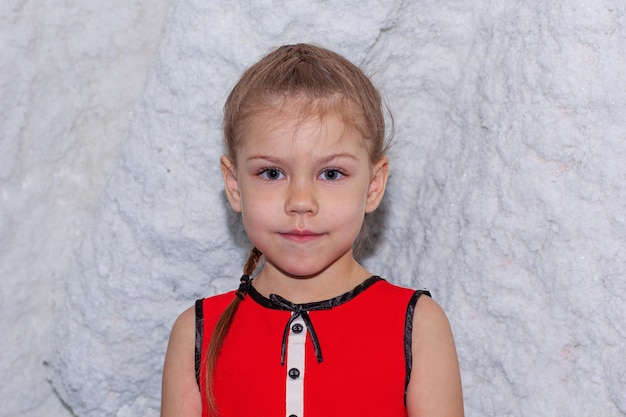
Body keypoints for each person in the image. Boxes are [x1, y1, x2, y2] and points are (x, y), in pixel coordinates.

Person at [160, 43, 463, 417]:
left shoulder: (419, 327)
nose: (301, 201)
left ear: (373, 185)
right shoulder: (195, 335)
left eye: (331, 173)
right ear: (234, 184)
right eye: (272, 173)